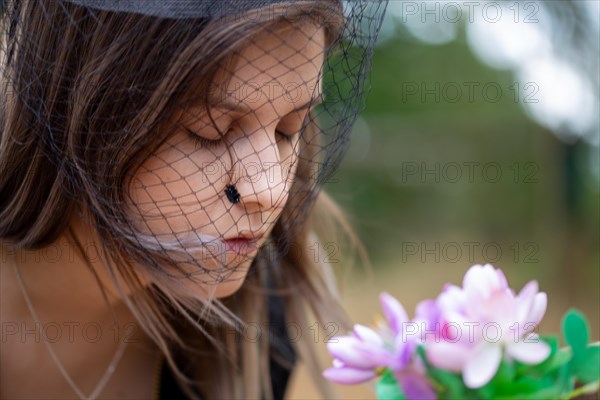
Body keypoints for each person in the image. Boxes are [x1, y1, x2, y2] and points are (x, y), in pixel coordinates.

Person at [0, 1, 387, 399]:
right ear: (78, 107)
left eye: (288, 129)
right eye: (210, 131)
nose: (269, 192)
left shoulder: (256, 332)